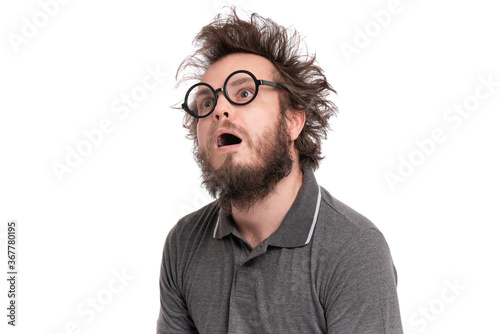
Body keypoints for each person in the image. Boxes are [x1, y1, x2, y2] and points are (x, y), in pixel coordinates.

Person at [157, 10, 403, 334]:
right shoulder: (184, 242)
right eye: (206, 104)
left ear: (292, 121)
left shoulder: (354, 250)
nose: (218, 109)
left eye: (244, 93)